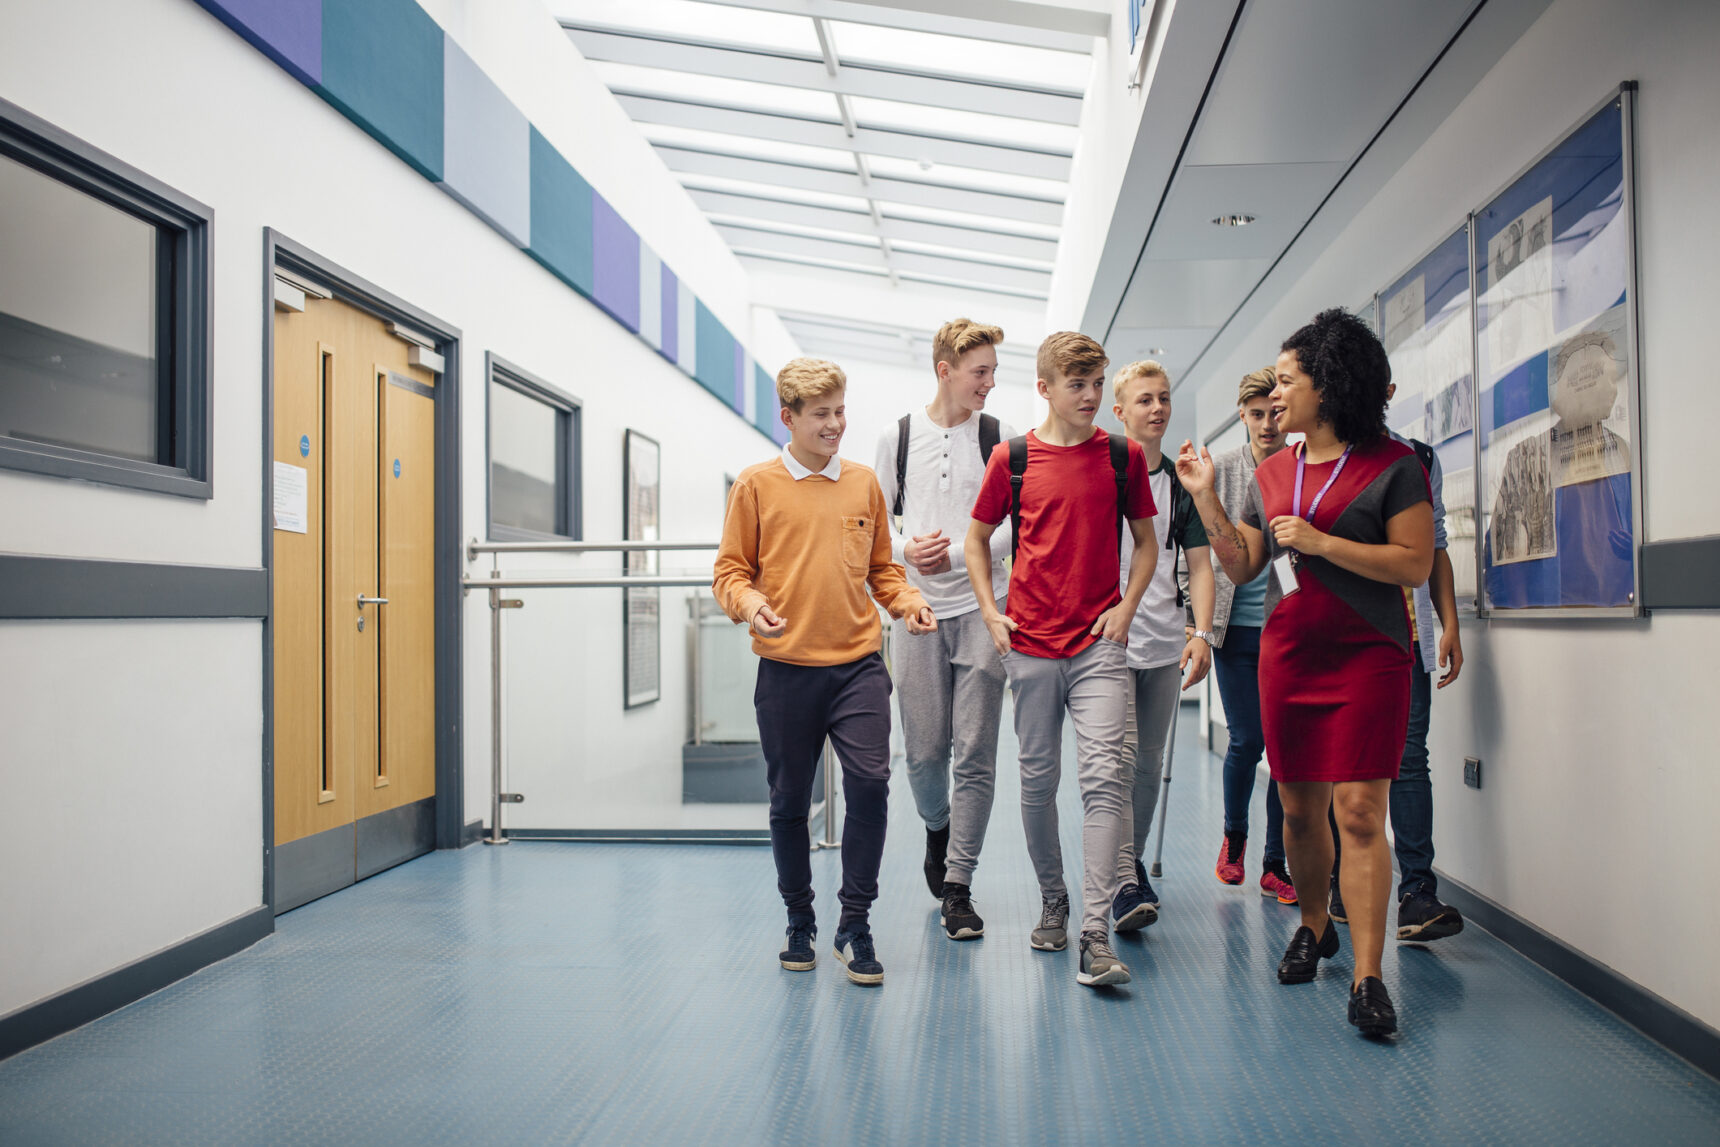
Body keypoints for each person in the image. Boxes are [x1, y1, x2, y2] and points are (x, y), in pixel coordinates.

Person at [1177, 309, 1435, 1036]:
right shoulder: (1272, 470)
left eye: (1288, 379)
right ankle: (1314, 924)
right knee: (1297, 809)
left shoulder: (1394, 464)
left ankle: (1368, 975)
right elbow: (1246, 562)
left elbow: (1413, 562)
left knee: (1358, 810)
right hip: (1291, 656)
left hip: (1369, 656)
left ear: (1329, 384)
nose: (1276, 394)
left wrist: (1323, 541)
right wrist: (1205, 497)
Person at [713, 357, 937, 987]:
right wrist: (752, 605)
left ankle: (854, 924)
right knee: (788, 800)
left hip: (858, 666)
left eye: (841, 411)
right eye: (822, 415)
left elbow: (883, 572)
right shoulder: (756, 486)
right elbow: (730, 572)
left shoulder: (864, 483)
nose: (837, 424)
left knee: (870, 784)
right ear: (788, 418)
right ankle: (799, 920)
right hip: (786, 672)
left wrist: (910, 602)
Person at [965, 331, 1158, 989]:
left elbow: (1147, 544)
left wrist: (1126, 609)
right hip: (1030, 645)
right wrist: (992, 612)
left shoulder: (1122, 456)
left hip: (1099, 646)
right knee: (1038, 782)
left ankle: (1095, 932)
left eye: (1098, 383)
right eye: (1077, 384)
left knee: (1106, 779)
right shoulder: (1012, 458)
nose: (1091, 396)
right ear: (1044, 388)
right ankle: (1054, 897)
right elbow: (976, 539)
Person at [872, 319, 1016, 941]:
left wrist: (957, 555)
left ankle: (959, 883)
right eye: (979, 371)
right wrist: (909, 552)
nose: (989, 382)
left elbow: (1017, 526)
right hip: (917, 613)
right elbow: (875, 526)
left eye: (991, 371)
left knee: (976, 750)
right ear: (945, 370)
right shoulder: (898, 436)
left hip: (987, 608)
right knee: (926, 751)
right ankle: (938, 828)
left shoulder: (1000, 438)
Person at [1327, 381, 1467, 941]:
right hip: (1339, 643)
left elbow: (1433, 547)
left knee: (1409, 760)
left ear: (1386, 390)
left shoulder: (1418, 458)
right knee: (1340, 769)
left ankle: (1417, 893)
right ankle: (1338, 881)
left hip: (1404, 640)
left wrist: (1449, 620)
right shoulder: (1322, 461)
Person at [1105, 360, 1215, 931]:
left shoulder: (1182, 481)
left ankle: (1129, 868)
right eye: (1144, 399)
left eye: (1164, 398)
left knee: (1148, 764)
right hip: (1108, 642)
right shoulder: (1102, 474)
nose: (1158, 408)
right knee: (1119, 762)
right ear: (1120, 411)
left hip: (1166, 643)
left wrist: (1201, 633)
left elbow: (1199, 565)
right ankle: (1123, 878)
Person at [1203, 368, 1297, 905]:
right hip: (1235, 627)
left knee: (1282, 747)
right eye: (1256, 414)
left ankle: (1274, 864)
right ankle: (1234, 842)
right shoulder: (1225, 470)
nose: (1266, 424)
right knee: (1248, 739)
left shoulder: (1299, 467)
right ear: (1242, 415)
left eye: (1274, 413)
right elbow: (1203, 552)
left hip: (1284, 623)